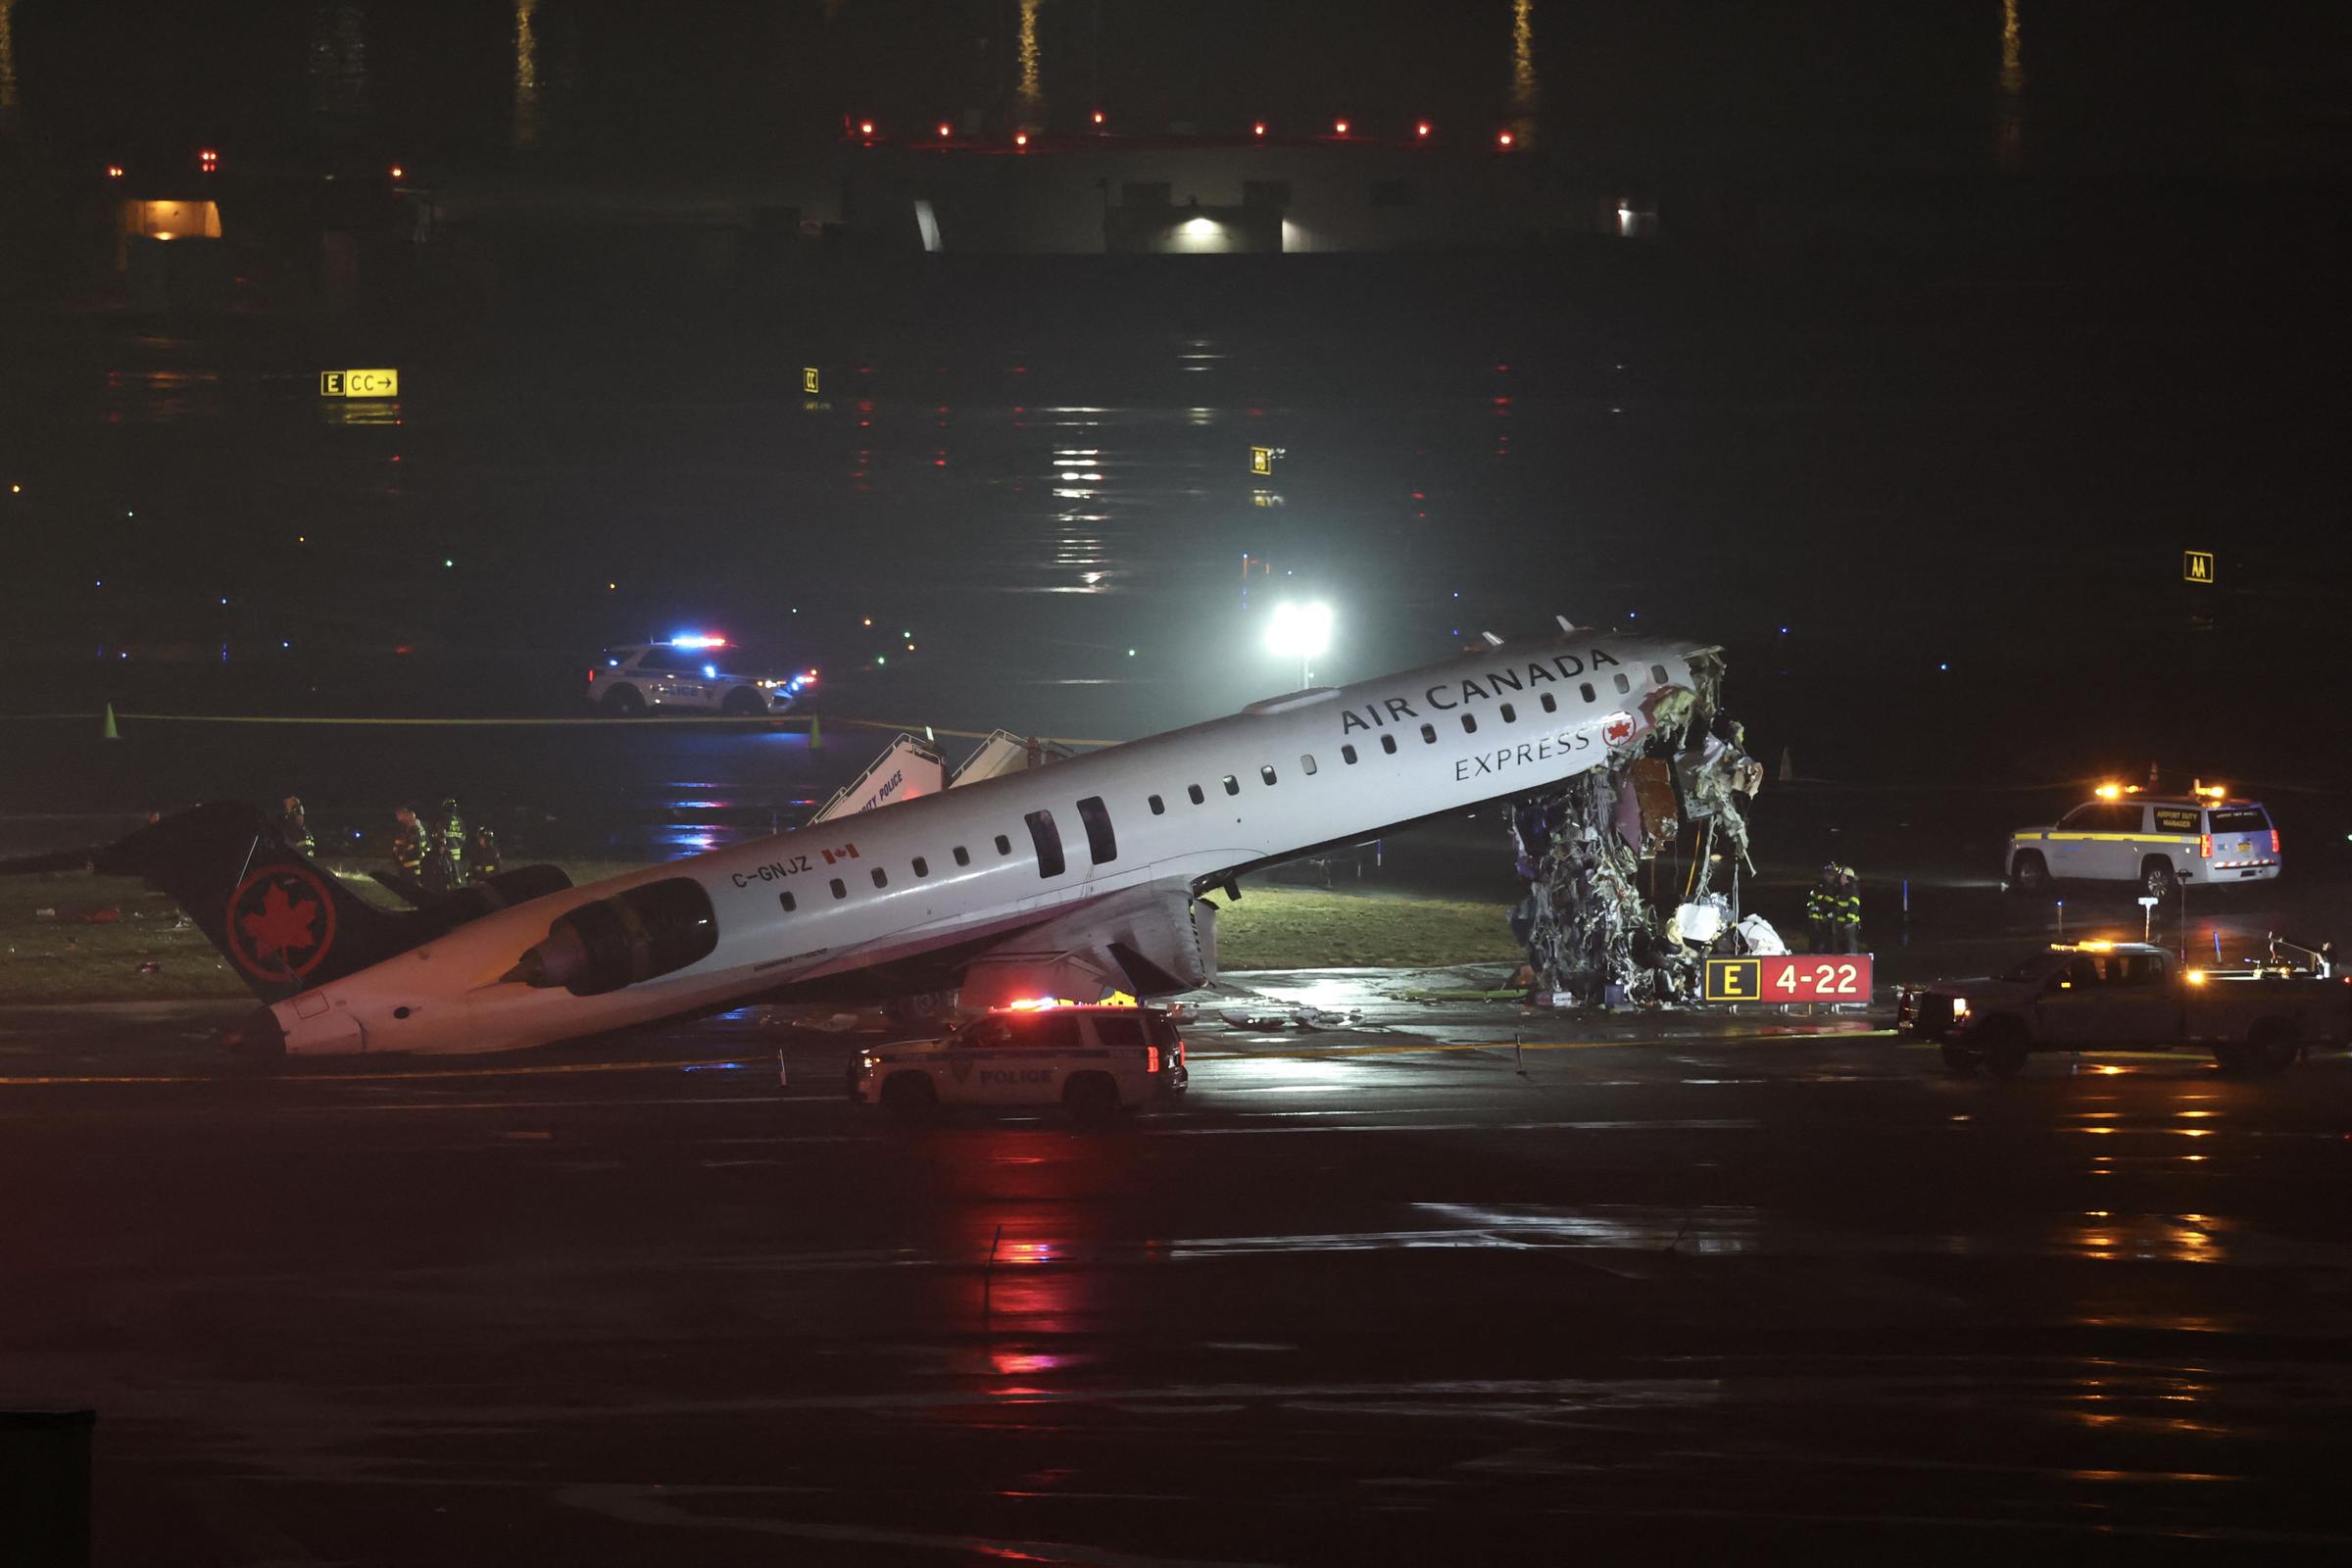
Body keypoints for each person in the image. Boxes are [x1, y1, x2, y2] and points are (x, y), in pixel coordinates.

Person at [423, 798, 467, 894]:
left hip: (444, 852)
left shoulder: (442, 819)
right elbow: (463, 837)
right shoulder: (460, 820)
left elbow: (438, 834)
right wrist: (458, 847)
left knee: (443, 876)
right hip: (457, 852)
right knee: (455, 875)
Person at [1805, 863, 1840, 954]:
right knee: (1815, 939)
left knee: (1829, 939)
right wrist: (1813, 909)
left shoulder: (1838, 887)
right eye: (1829, 874)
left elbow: (1839, 902)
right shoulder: (1818, 886)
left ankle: (1828, 956)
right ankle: (1813, 955)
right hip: (1816, 918)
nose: (1830, 877)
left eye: (1832, 875)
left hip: (1830, 918)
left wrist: (1832, 912)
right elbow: (1811, 899)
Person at [389, 804, 426, 880]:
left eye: (398, 814)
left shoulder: (412, 828)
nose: (397, 817)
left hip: (410, 861)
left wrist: (401, 856)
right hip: (415, 860)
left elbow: (411, 845)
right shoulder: (416, 825)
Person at [1835, 865, 1864, 955]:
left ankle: (1853, 963)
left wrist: (1848, 921)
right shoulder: (1842, 890)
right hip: (1841, 925)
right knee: (1841, 948)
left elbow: (1854, 908)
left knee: (1850, 947)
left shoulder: (1852, 891)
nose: (1841, 879)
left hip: (1850, 925)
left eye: (1843, 877)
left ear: (1848, 879)